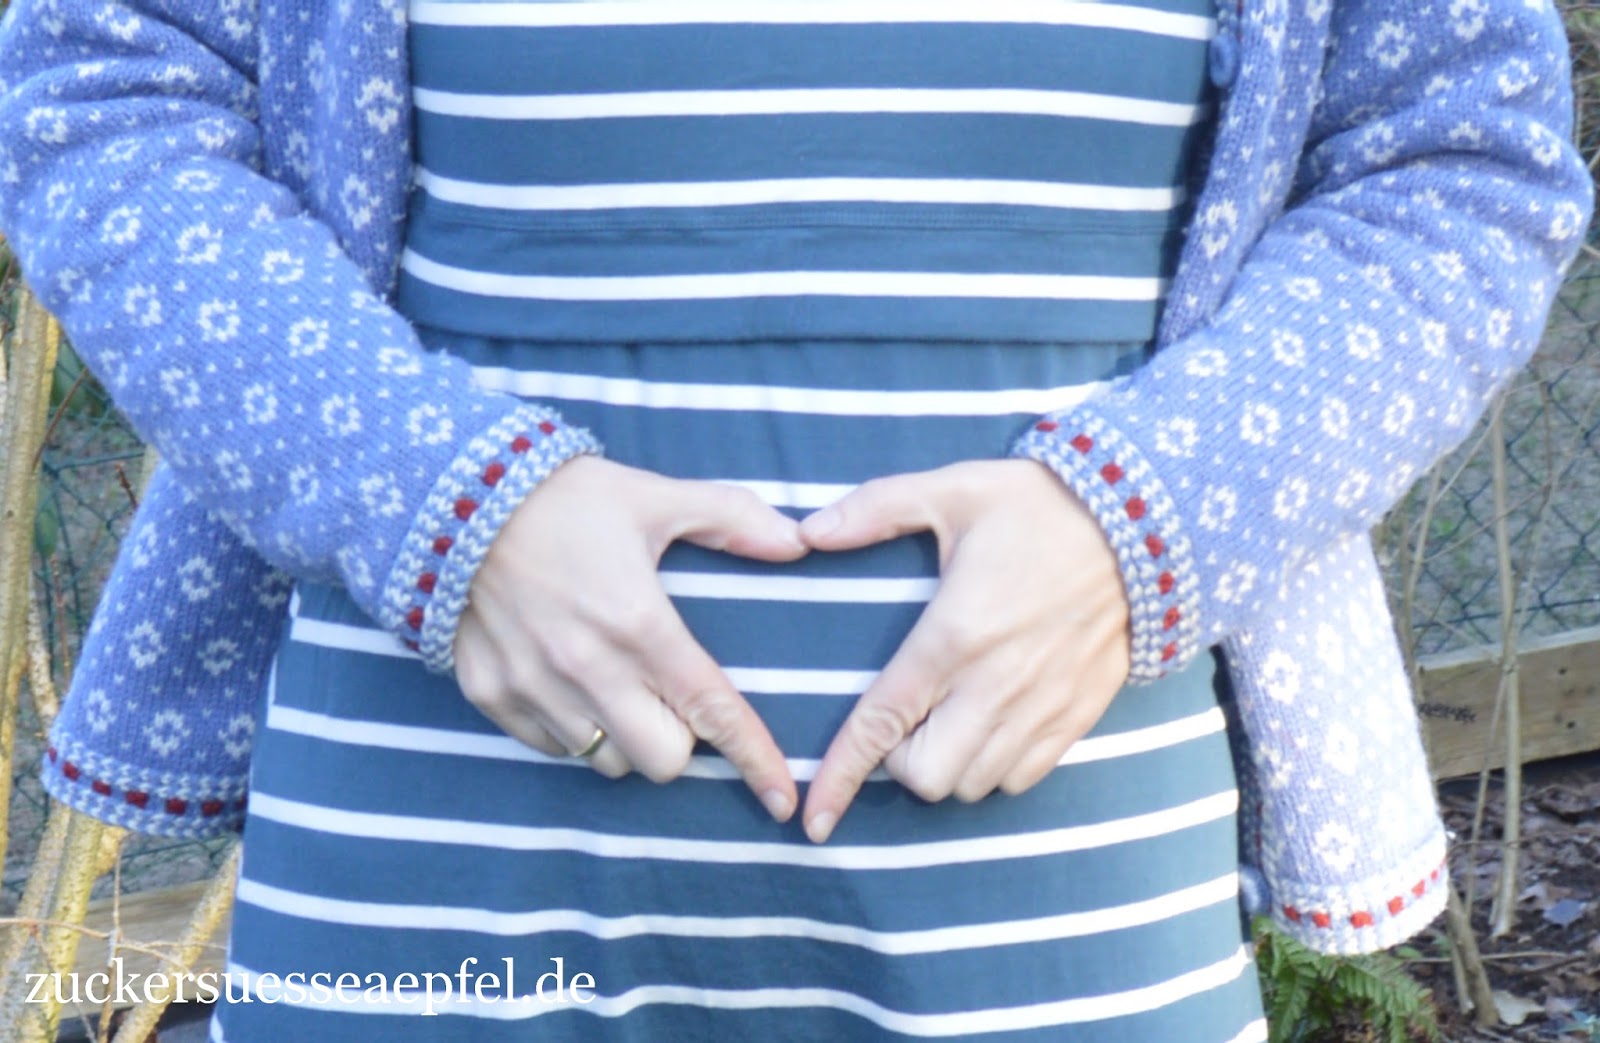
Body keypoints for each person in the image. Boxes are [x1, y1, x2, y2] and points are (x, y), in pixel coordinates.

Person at [0, 0, 1588, 1039]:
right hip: (424, 934)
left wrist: (1144, 520)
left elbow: (1456, 161)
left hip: (1065, 945)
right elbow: (104, 95)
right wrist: (430, 499)